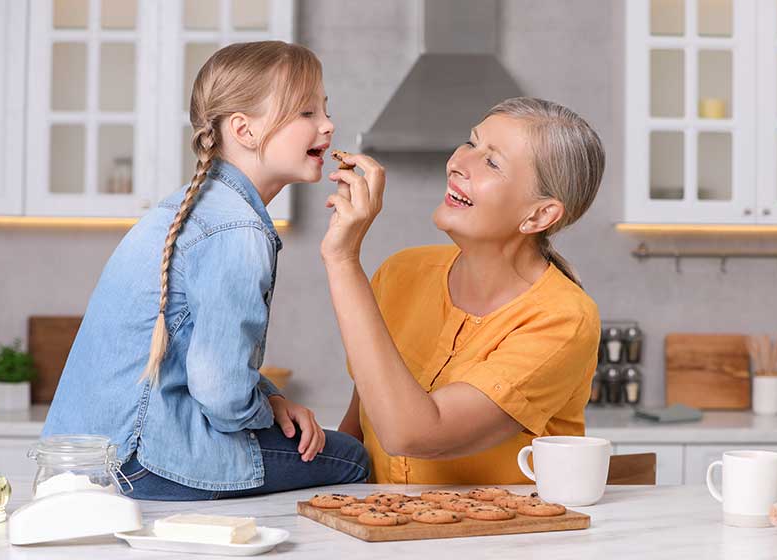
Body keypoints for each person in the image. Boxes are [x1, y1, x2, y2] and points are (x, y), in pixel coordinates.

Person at [43, 42, 369, 500]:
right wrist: (262, 409)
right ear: (244, 130)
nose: (328, 125)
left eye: (325, 109)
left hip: (89, 461)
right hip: (143, 461)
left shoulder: (196, 207)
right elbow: (221, 395)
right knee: (353, 458)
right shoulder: (237, 229)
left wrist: (271, 399)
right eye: (306, 112)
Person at [327, 97, 605, 484]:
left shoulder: (563, 319)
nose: (458, 162)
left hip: (501, 542)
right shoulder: (400, 273)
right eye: (471, 143)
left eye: (492, 162)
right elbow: (361, 422)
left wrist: (342, 260)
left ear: (539, 215)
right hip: (384, 536)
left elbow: (414, 434)